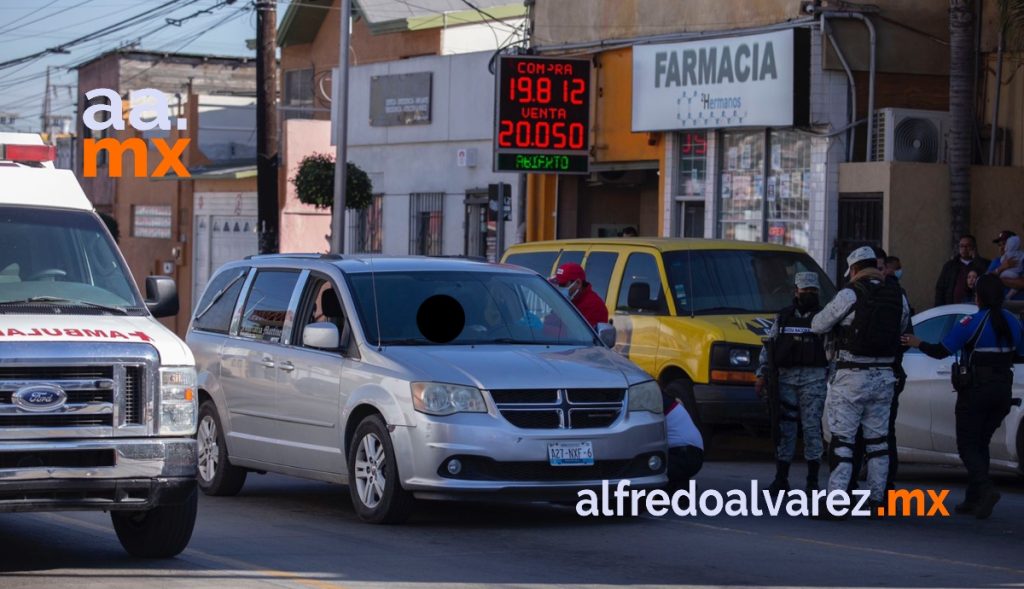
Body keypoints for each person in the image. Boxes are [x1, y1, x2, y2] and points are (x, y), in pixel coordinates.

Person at [902, 274, 1024, 519]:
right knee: (980, 443)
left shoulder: (972, 321)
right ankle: (973, 499)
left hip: (976, 392)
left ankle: (986, 490)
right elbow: (1020, 355)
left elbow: (941, 351)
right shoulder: (1013, 322)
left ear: (979, 296)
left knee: (967, 444)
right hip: (1002, 391)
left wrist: (917, 342)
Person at [811, 246, 910, 510]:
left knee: (843, 440)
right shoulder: (898, 295)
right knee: (878, 442)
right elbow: (902, 329)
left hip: (851, 376)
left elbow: (818, 325)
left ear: (854, 270)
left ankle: (837, 502)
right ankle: (877, 501)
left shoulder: (850, 293)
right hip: (885, 376)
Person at [755, 272, 829, 492]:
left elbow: (832, 350)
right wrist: (761, 375)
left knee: (812, 429)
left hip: (814, 380)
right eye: (804, 290)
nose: (808, 294)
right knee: (785, 429)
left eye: (812, 291)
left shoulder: (824, 317)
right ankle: (781, 478)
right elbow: (769, 346)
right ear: (796, 291)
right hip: (786, 380)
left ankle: (812, 481)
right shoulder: (784, 316)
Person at [663, 391, 704, 490]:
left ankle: (681, 486)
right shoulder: (665, 399)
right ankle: (681, 484)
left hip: (683, 455)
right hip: (692, 455)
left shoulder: (655, 403)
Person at [935, 235, 990, 307]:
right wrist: (939, 308)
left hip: (975, 307)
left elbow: (988, 278)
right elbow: (940, 288)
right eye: (961, 246)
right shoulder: (950, 265)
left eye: (967, 246)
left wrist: (976, 259)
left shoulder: (983, 263)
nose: (964, 249)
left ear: (974, 247)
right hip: (952, 307)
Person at [551, 262, 608, 328]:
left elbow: (581, 335)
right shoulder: (568, 300)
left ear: (578, 283)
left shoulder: (594, 306)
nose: (558, 288)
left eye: (562, 285)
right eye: (556, 284)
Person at [990, 235, 1024, 300]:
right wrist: (1002, 267)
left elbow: (1022, 284)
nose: (1002, 247)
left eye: (1004, 244)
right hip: (1000, 302)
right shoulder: (995, 261)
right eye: (999, 245)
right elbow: (987, 279)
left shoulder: (1021, 259)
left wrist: (999, 279)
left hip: (1020, 303)